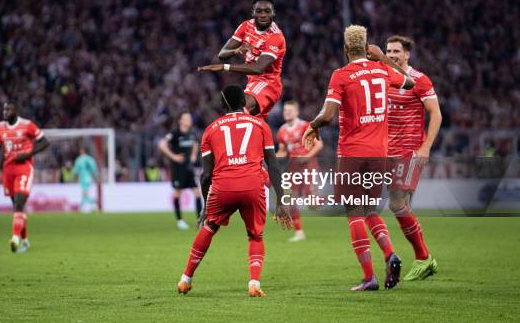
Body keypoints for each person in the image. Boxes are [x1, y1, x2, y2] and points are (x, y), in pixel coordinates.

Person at [303, 25, 414, 291]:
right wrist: (383, 58)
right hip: (379, 153)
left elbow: (328, 115)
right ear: (367, 48)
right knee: (370, 209)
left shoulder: (341, 75)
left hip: (353, 152)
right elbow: (409, 83)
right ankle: (390, 254)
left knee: (354, 212)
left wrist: (313, 125)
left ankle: (369, 277)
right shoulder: (382, 69)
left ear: (345, 50)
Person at [177, 85, 292, 297]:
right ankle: (254, 284)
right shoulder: (260, 125)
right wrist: (281, 200)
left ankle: (186, 279)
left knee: (210, 227)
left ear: (223, 104)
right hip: (252, 185)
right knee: (255, 236)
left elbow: (206, 175)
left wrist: (206, 206)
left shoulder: (210, 130)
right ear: (243, 103)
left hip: (223, 188)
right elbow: (273, 166)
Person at [386, 35, 441, 280]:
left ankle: (423, 257)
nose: (391, 54)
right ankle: (424, 258)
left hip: (409, 151)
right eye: (388, 50)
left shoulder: (419, 80)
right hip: (385, 151)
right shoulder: (383, 77)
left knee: (397, 204)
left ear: (407, 54)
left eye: (396, 50)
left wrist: (426, 147)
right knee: (399, 205)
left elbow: (436, 115)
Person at [198, 0, 286, 119]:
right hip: (252, 82)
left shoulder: (275, 37)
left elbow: (258, 68)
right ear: (253, 12)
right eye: (259, 11)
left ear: (273, 13)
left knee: (239, 109)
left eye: (267, 11)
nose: (263, 15)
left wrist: (225, 67)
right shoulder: (246, 27)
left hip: (268, 83)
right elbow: (222, 54)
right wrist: (236, 50)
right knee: (251, 122)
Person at [0, 102, 49, 252]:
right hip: (8, 171)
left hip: (24, 169)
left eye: (8, 109)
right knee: (17, 208)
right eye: (4, 109)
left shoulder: (28, 125)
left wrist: (28, 155)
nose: (5, 111)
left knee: (19, 204)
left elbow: (45, 142)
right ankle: (25, 240)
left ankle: (15, 239)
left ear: (16, 111)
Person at [276, 100, 323, 242]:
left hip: (309, 165)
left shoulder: (305, 126)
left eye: (290, 110)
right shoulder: (282, 131)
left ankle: (334, 199)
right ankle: (299, 232)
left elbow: (319, 144)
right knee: (291, 200)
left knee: (312, 204)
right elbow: (283, 151)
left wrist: (306, 157)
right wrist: (272, 157)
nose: (287, 113)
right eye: (285, 111)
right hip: (293, 167)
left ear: (296, 112)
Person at [158, 112, 201, 230]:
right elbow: (162, 144)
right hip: (178, 169)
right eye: (186, 118)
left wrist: (193, 155)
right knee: (178, 193)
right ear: (180, 121)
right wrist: (173, 156)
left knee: (197, 193)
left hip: (189, 168)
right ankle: (180, 221)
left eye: (190, 118)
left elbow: (196, 144)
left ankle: (199, 220)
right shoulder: (174, 133)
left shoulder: (192, 133)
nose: (189, 120)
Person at [72, 146, 99, 213]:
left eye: (81, 151)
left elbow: (76, 170)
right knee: (85, 194)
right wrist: (96, 176)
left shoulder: (79, 159)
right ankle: (84, 208)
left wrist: (72, 177)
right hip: (89, 178)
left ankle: (94, 204)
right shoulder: (90, 159)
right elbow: (94, 169)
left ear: (82, 151)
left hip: (83, 179)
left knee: (85, 193)